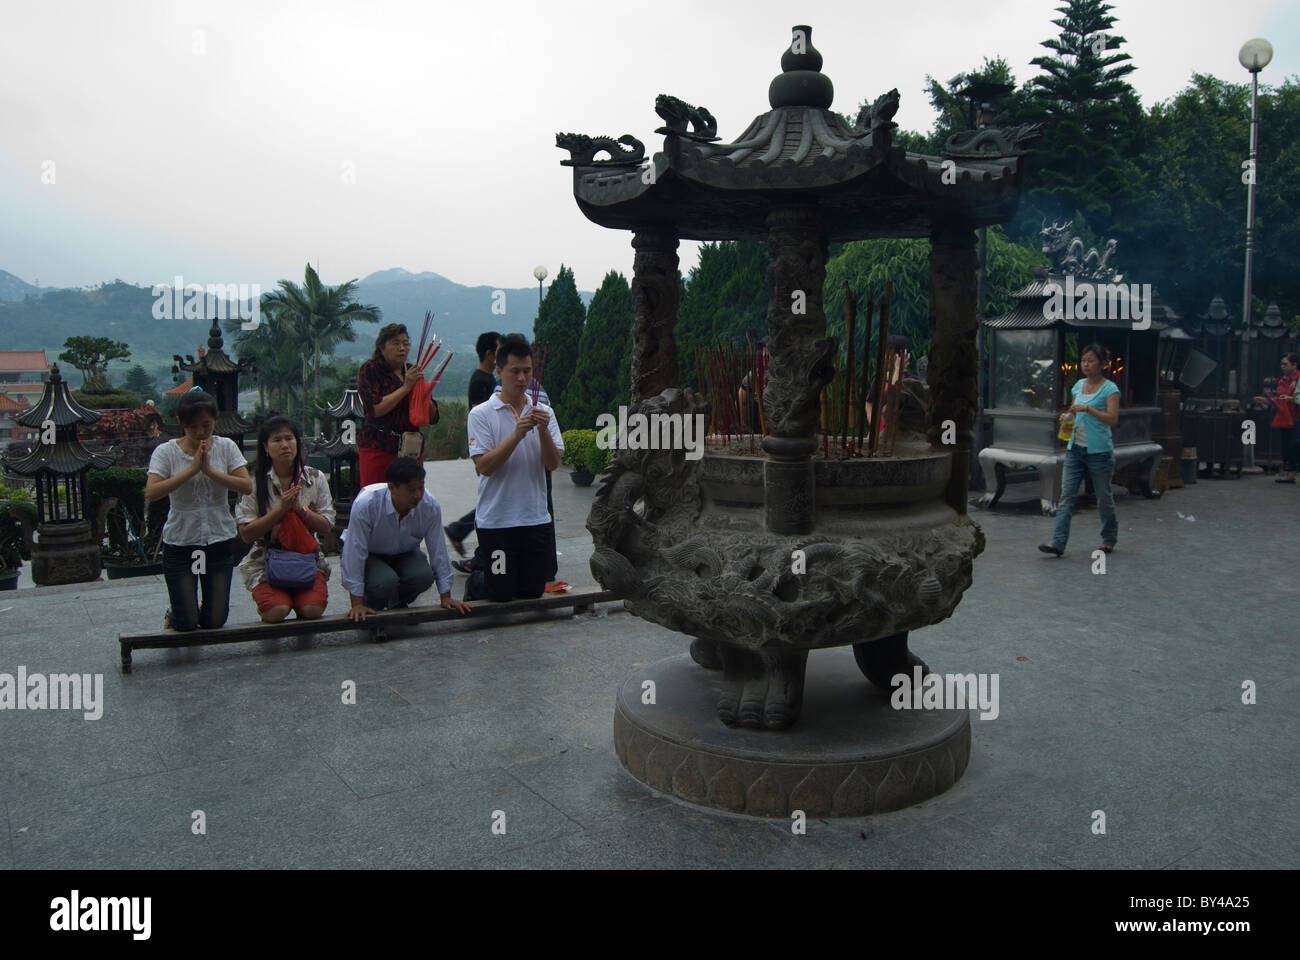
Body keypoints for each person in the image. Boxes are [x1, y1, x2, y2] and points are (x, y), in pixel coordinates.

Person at [464, 334, 563, 602]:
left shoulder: (545, 412)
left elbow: (552, 464)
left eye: (527, 371)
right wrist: (517, 434)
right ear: (499, 371)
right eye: (514, 371)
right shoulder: (481, 414)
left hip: (534, 520)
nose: (521, 379)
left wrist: (542, 431)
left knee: (532, 591)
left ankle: (509, 577)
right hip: (497, 523)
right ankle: (476, 580)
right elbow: (484, 466)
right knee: (502, 593)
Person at [145, 389, 253, 631]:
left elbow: (246, 486)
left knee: (214, 621)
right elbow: (152, 492)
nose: (201, 432)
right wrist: (191, 470)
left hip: (218, 540)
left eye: (206, 425)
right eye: (193, 427)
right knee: (187, 623)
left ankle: (192, 608)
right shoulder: (167, 452)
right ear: (182, 425)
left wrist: (211, 472)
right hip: (182, 542)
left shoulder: (226, 447)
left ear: (215, 421)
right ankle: (179, 613)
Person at [340, 456, 471, 621]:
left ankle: (397, 603)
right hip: (371, 554)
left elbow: (438, 549)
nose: (417, 495)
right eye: (410, 489)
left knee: (423, 575)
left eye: (421, 488)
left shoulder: (430, 506)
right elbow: (355, 553)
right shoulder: (367, 503)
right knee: (385, 580)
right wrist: (356, 604)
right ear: (392, 487)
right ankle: (371, 605)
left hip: (405, 552)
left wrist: (446, 597)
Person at [235, 416, 335, 622]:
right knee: (276, 611)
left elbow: (326, 526)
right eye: (277, 440)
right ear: (265, 446)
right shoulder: (254, 482)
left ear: (297, 442)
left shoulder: (315, 477)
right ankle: (280, 598)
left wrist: (301, 510)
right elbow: (245, 533)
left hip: (306, 558)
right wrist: (280, 510)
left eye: (289, 439)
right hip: (266, 557)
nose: (284, 445)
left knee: (312, 610)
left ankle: (298, 597)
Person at [1039, 343, 1121, 558]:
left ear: (1102, 364)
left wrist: (1089, 409)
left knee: (1103, 497)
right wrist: (1068, 417)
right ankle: (1057, 542)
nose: (1086, 364)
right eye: (1084, 360)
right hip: (1074, 448)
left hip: (1099, 452)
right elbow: (1075, 411)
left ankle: (1109, 538)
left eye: (1091, 361)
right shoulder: (1078, 386)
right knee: (1066, 496)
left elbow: (1112, 419)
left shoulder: (1110, 389)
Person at [358, 323, 440, 487]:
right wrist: (406, 387)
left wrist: (423, 392)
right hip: (379, 447)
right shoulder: (371, 369)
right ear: (382, 348)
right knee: (378, 496)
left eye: (405, 343)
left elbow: (432, 417)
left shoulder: (410, 370)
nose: (402, 348)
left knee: (410, 497)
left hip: (410, 448)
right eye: (396, 343)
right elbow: (375, 409)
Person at [445, 331, 500, 561]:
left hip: (492, 451)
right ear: (489, 354)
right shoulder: (481, 381)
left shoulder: (486, 379)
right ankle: (471, 542)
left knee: (494, 500)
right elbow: (480, 418)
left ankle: (460, 530)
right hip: (488, 451)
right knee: (494, 501)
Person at [1254, 352, 1299, 483]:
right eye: (1282, 364)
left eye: (1285, 364)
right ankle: (1290, 473)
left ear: (1294, 365)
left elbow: (1293, 398)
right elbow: (1279, 399)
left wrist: (1291, 398)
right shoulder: (1282, 381)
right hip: (1285, 416)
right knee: (1287, 445)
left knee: (1296, 443)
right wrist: (1266, 400)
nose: (1282, 367)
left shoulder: (1298, 379)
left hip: (1297, 416)